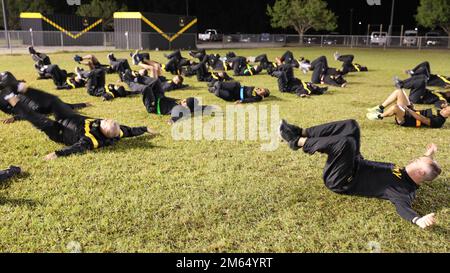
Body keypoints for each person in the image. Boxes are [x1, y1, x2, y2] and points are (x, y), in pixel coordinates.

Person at [279, 119, 441, 228]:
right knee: (351, 126)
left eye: (417, 160)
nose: (414, 159)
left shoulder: (404, 191)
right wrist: (429, 155)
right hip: (357, 163)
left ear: (419, 172)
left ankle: (295, 141)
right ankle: (301, 132)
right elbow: (427, 167)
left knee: (345, 143)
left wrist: (418, 220)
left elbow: (403, 208)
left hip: (342, 179)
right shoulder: (411, 172)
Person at [2, 90, 158, 159]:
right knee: (55, 101)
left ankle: (12, 100)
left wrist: (58, 154)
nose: (104, 118)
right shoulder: (118, 131)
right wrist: (145, 129)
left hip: (61, 131)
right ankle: (22, 88)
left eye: (104, 120)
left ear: (103, 129)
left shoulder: (91, 140)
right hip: (70, 117)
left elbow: (76, 148)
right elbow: (130, 130)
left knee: (37, 119)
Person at [0, 71, 90, 124]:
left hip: (11, 103)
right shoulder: (45, 103)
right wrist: (83, 104)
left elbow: (27, 113)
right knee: (6, 75)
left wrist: (14, 118)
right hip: (15, 95)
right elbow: (67, 105)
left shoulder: (39, 108)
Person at [366, 89, 449, 128]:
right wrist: (412, 108)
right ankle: (380, 108)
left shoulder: (438, 122)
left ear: (448, 115)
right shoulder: (440, 112)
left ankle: (379, 116)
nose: (443, 109)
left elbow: (422, 119)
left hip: (406, 120)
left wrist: (408, 109)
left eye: (446, 110)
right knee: (399, 91)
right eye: (445, 108)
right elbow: (439, 103)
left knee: (396, 107)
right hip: (410, 113)